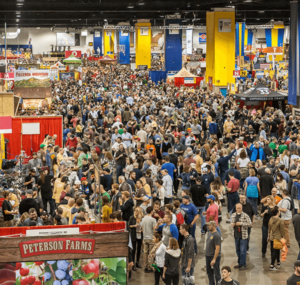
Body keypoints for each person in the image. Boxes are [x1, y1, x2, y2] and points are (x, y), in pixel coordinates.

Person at [231, 203, 252, 270]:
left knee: (243, 251)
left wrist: (241, 224)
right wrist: (232, 224)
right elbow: (231, 223)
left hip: (243, 236)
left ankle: (243, 264)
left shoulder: (245, 215)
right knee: (238, 251)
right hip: (236, 235)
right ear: (236, 208)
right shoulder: (233, 215)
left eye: (240, 208)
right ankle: (240, 263)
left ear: (242, 208)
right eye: (237, 208)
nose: (239, 209)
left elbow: (250, 224)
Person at [268, 206, 285, 271]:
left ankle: (278, 262)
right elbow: (282, 230)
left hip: (272, 237)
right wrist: (283, 237)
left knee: (275, 250)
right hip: (278, 238)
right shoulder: (280, 220)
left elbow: (269, 229)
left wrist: (268, 236)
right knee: (275, 251)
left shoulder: (271, 219)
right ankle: (272, 265)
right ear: (278, 212)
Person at [141, 206, 156, 273]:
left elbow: (142, 228)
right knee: (151, 253)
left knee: (145, 253)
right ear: (151, 211)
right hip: (151, 238)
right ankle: (150, 267)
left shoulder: (143, 219)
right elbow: (154, 229)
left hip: (145, 238)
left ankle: (145, 266)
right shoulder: (153, 219)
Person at [205, 221, 221, 285]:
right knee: (209, 273)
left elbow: (217, 248)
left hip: (213, 257)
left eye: (210, 225)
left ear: (214, 225)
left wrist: (214, 259)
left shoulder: (216, 235)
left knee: (216, 274)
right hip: (208, 256)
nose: (208, 226)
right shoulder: (209, 233)